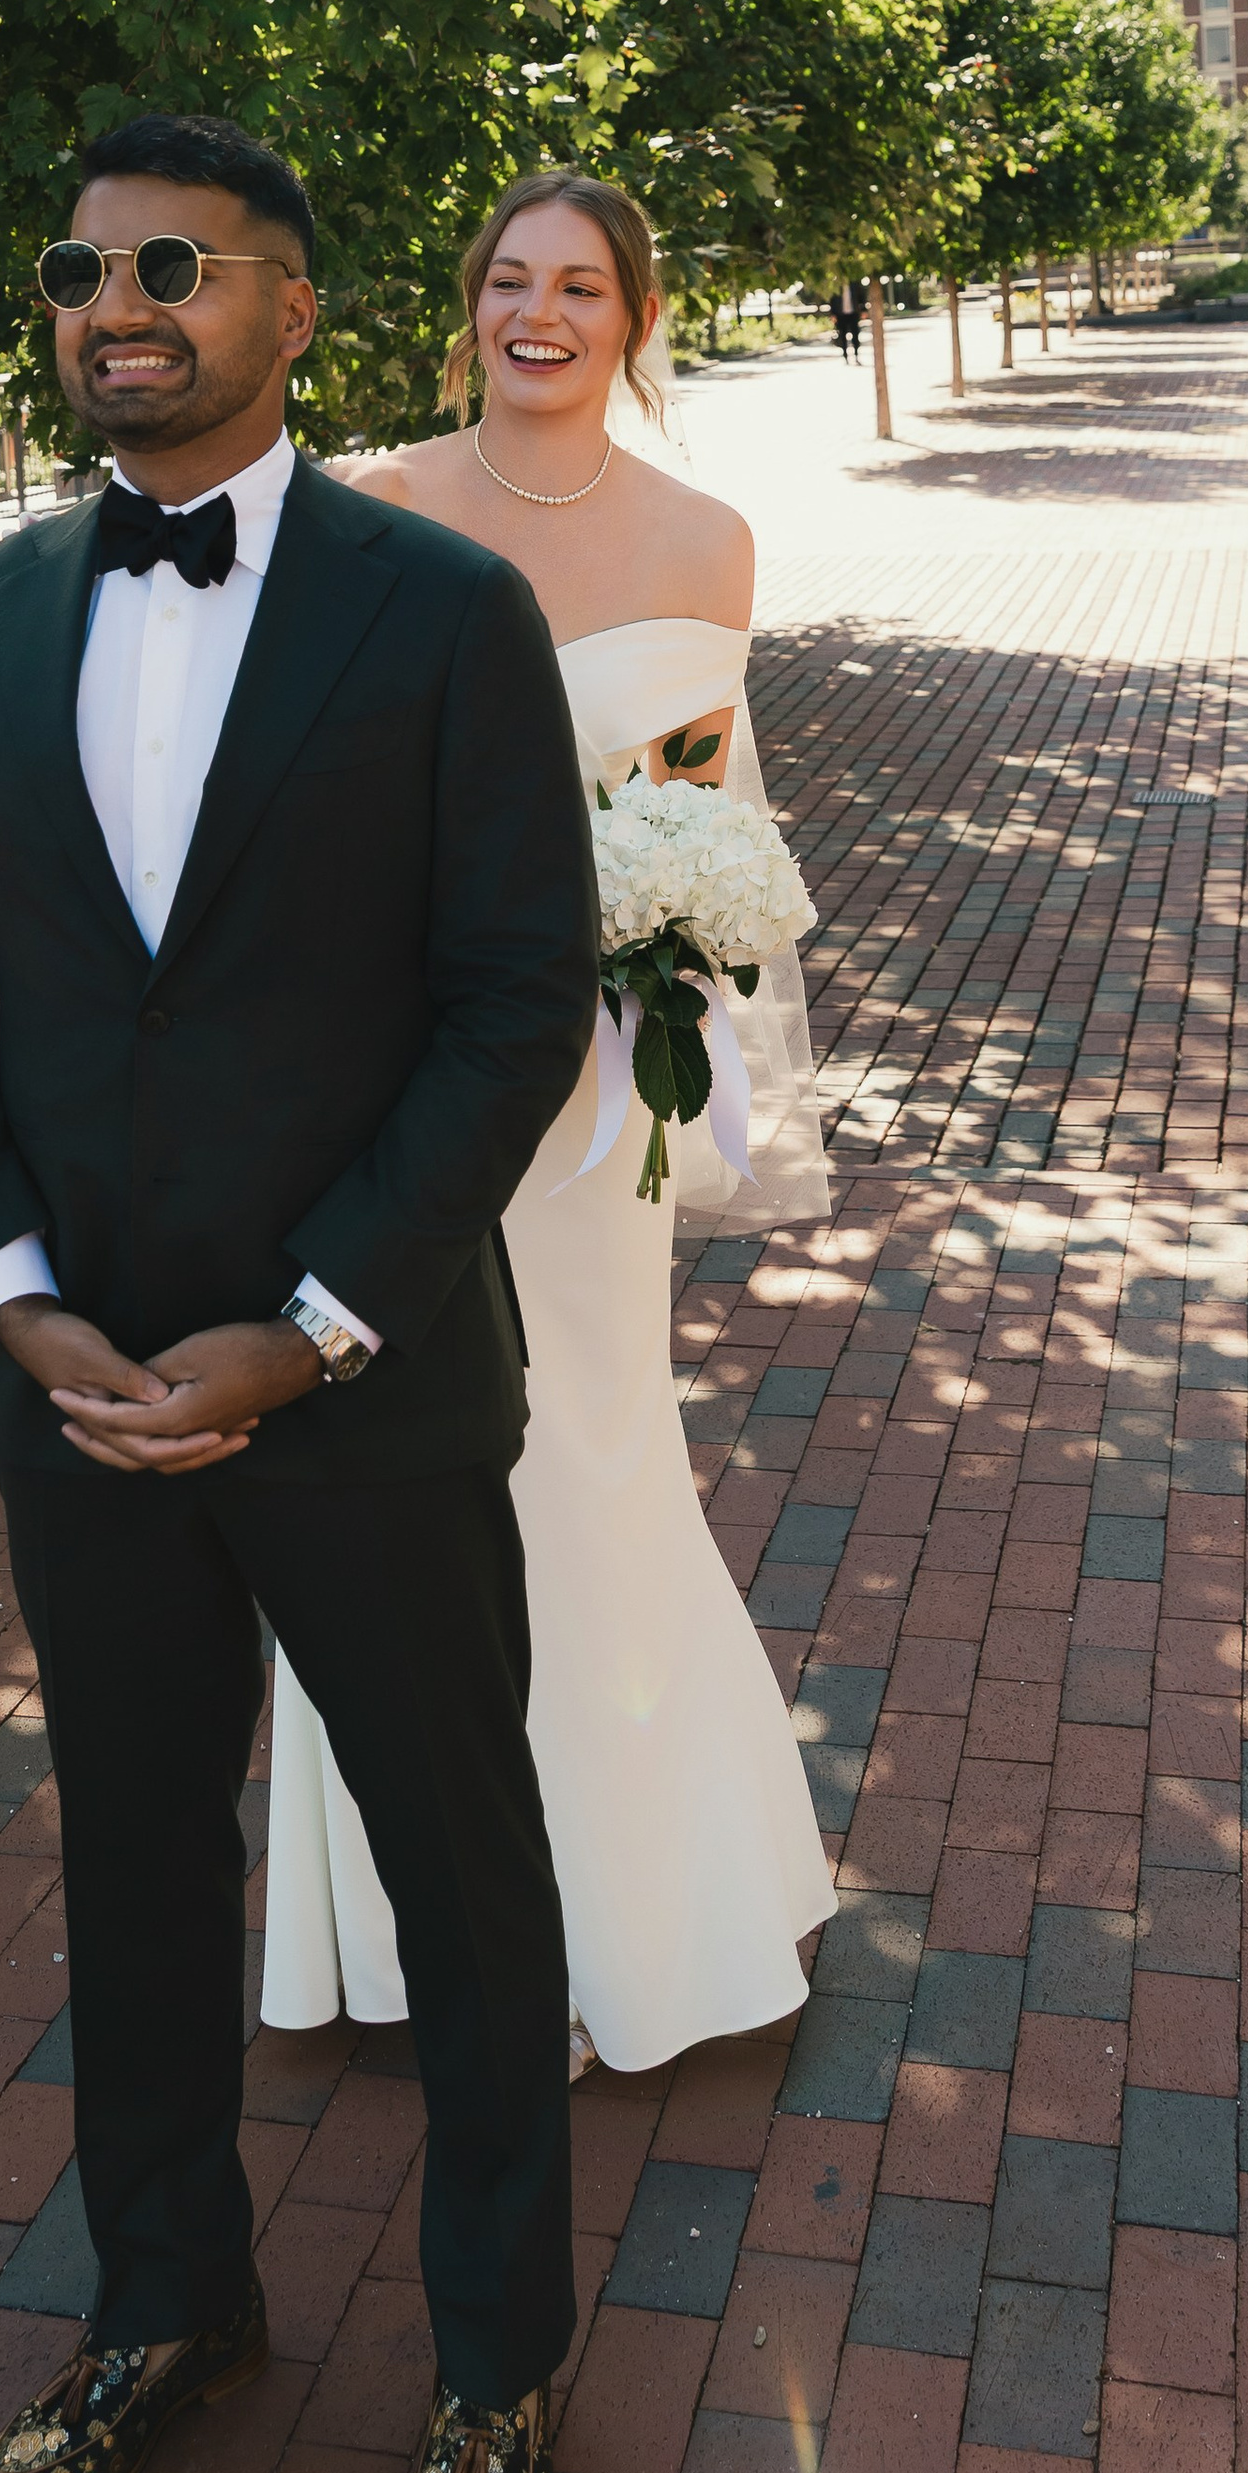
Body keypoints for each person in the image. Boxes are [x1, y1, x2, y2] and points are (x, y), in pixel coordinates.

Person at [0, 112, 599, 2473]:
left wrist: (308, 1322)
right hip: (74, 1400)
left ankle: (499, 2365)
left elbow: (518, 995)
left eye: (171, 263)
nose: (113, 302)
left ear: (290, 308)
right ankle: (163, 2301)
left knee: (466, 1880)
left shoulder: (438, 610)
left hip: (359, 1387)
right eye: (75, 269)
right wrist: (10, 1292)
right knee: (134, 1866)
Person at [260, 169, 837, 2083]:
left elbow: (715, 809)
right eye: (509, 277)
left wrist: (669, 926)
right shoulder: (374, 512)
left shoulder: (712, 538)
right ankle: (425, 1924)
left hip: (597, 1112)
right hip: (409, 1083)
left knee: (591, 1448)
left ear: (636, 314)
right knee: (397, 1470)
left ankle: (620, 1909)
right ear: (466, 306)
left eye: (581, 284)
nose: (542, 312)